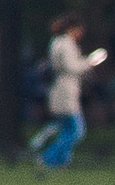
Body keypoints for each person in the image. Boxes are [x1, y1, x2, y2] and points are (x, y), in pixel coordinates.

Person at [31, 14, 104, 169]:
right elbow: (71, 67)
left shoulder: (57, 42)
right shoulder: (66, 44)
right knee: (77, 130)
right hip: (65, 91)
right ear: (73, 29)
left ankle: (61, 160)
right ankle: (48, 157)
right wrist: (89, 63)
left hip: (59, 90)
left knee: (66, 128)